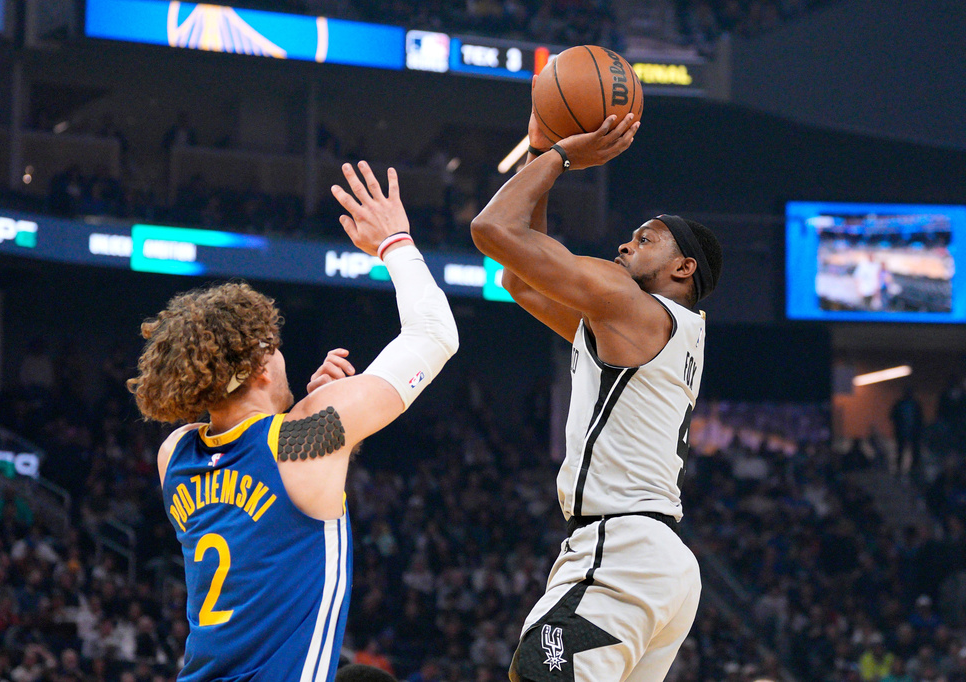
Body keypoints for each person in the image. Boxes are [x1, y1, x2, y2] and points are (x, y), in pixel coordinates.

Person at [127, 161, 458, 682]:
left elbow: (257, 466)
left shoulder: (176, 454)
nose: (284, 356)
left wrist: (312, 413)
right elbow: (435, 335)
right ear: (258, 368)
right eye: (275, 348)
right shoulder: (303, 440)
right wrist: (395, 242)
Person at [471, 99, 722, 682]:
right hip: (658, 562)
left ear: (682, 268)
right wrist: (540, 155)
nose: (626, 245)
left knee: (540, 673)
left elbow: (492, 231)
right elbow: (519, 281)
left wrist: (559, 155)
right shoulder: (648, 328)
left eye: (646, 239)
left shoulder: (629, 305)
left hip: (623, 549)